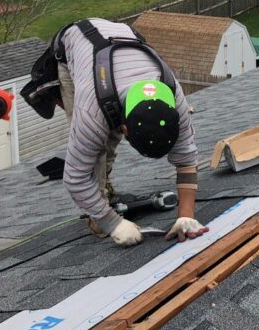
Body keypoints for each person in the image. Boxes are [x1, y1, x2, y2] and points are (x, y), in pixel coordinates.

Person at [54, 18, 208, 247]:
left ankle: (101, 197)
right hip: (75, 44)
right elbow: (75, 177)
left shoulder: (176, 102)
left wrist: (186, 214)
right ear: (124, 128)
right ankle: (98, 212)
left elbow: (186, 157)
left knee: (103, 133)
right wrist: (112, 223)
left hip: (119, 40)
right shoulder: (90, 112)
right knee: (96, 148)